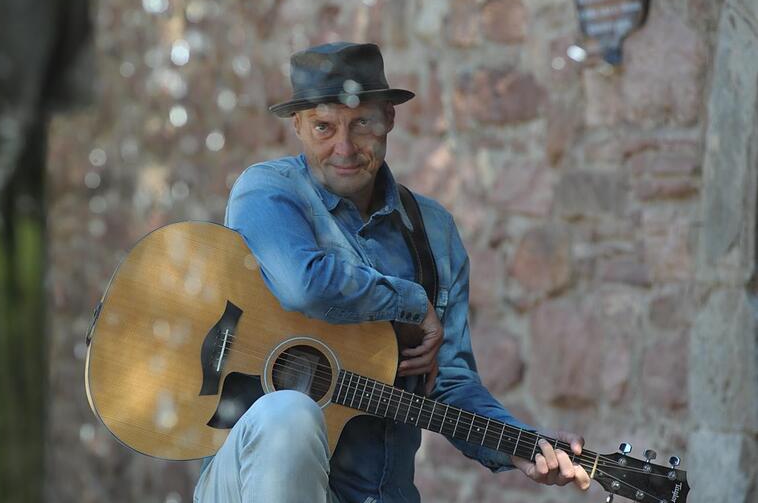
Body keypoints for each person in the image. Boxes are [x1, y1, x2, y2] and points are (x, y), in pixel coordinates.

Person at [193, 42, 591, 503]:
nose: (344, 147)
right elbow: (304, 284)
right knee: (289, 413)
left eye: (362, 122)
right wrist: (412, 303)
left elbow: (449, 379)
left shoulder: (433, 231)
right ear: (298, 126)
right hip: (247, 485)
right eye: (324, 126)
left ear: (389, 119)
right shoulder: (267, 192)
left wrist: (519, 446)